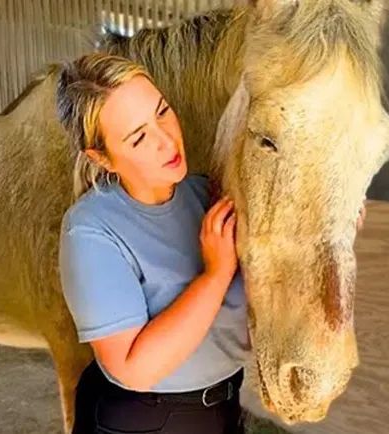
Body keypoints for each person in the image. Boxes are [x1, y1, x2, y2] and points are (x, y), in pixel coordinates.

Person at [56, 53, 249, 434]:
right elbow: (134, 369)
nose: (166, 140)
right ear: (102, 157)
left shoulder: (205, 194)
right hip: (147, 420)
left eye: (162, 111)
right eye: (139, 137)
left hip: (225, 408)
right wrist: (216, 274)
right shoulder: (91, 231)